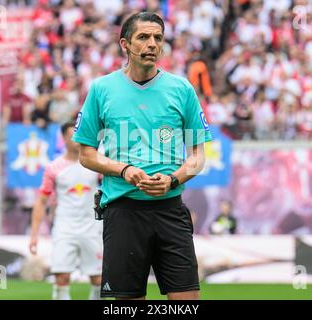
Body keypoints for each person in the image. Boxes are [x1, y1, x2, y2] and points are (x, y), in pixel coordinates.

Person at [72, 12, 212, 300]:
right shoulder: (101, 89)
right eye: (143, 37)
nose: (152, 44)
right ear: (125, 44)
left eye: (158, 38)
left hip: (170, 210)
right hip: (122, 211)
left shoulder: (182, 89)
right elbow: (86, 153)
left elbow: (198, 155)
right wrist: (124, 170)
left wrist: (173, 179)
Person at [29, 122, 103, 300]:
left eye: (78, 134)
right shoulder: (54, 168)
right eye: (71, 135)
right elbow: (41, 201)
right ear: (62, 138)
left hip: (92, 227)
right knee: (61, 277)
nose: (76, 139)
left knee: (99, 279)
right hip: (64, 227)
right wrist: (34, 234)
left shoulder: (96, 163)